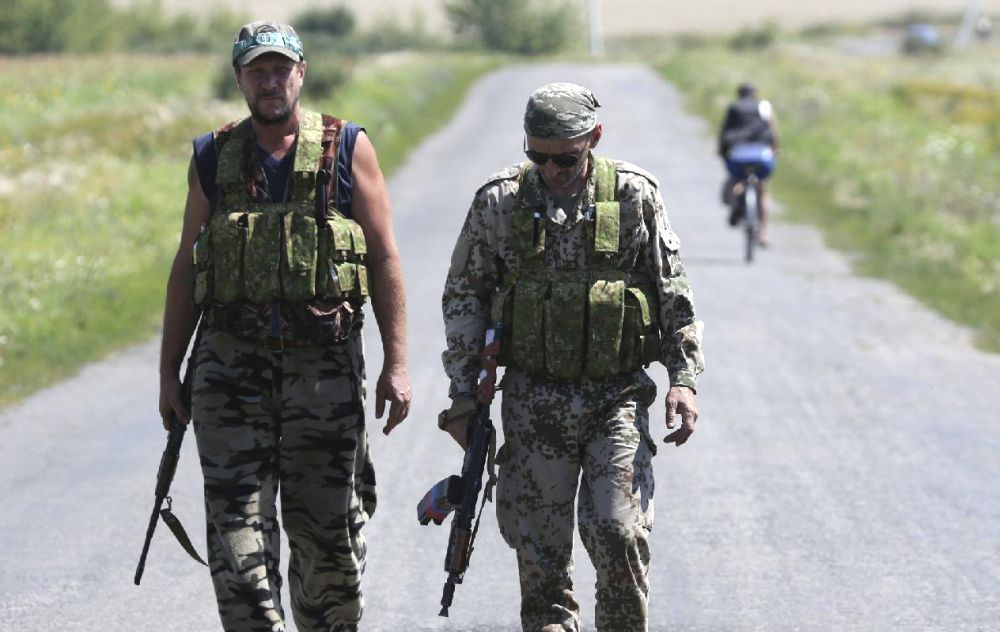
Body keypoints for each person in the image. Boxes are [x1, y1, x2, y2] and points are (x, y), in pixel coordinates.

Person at [157, 21, 411, 632]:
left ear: (301, 73)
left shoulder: (346, 147)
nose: (270, 82)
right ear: (239, 78)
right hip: (228, 375)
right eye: (257, 72)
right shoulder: (213, 155)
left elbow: (383, 256)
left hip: (323, 376)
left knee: (328, 545)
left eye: (280, 70)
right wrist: (168, 371)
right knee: (237, 545)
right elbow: (188, 264)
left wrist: (398, 364)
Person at [439, 83, 704, 631]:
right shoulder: (500, 202)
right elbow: (465, 297)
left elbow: (672, 291)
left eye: (565, 158)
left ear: (594, 138)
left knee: (619, 532)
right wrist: (463, 396)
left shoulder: (632, 195)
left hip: (615, 397)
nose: (551, 170)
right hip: (533, 401)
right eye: (537, 156)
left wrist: (683, 378)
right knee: (541, 558)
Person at [717, 83, 780, 245]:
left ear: (739, 94)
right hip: (762, 156)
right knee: (762, 189)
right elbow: (773, 131)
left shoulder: (734, 107)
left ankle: (736, 204)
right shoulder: (764, 106)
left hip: (738, 155)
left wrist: (722, 152)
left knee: (734, 180)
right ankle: (764, 234)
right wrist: (776, 149)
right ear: (755, 94)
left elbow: (724, 132)